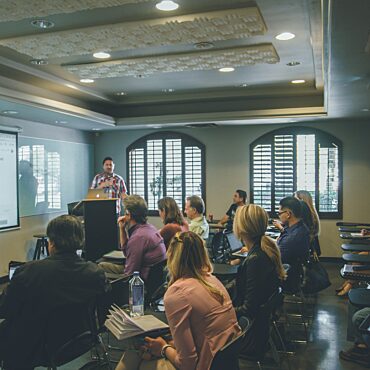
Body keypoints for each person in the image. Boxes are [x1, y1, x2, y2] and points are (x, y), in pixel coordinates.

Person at [116, 231, 241, 370]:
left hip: (206, 363)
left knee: (143, 360)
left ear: (172, 257)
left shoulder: (177, 293)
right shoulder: (213, 280)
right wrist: (169, 345)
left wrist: (163, 348)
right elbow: (202, 332)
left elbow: (187, 364)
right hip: (222, 360)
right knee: (142, 352)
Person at [0, 215, 109, 369]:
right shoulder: (96, 273)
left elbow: (5, 309)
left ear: (51, 242)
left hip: (34, 348)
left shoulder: (29, 272)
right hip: (79, 341)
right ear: (80, 241)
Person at [231, 204, 286, 360]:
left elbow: (249, 308)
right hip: (258, 331)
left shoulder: (256, 259)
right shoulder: (263, 250)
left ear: (241, 228)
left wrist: (220, 312)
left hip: (248, 337)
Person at [99, 195, 166, 280]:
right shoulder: (150, 228)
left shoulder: (138, 237)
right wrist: (122, 229)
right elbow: (127, 253)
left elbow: (129, 275)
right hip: (153, 279)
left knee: (99, 269)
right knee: (102, 265)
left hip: (140, 281)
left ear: (129, 214)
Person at [273, 196, 310, 291]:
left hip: (288, 276)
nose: (279, 216)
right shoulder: (298, 227)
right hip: (295, 270)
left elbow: (275, 258)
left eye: (279, 213)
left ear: (288, 214)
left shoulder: (293, 237)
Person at [294, 190, 321, 256]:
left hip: (305, 247)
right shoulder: (312, 212)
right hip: (310, 245)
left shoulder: (304, 212)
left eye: (295, 199)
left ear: (301, 200)